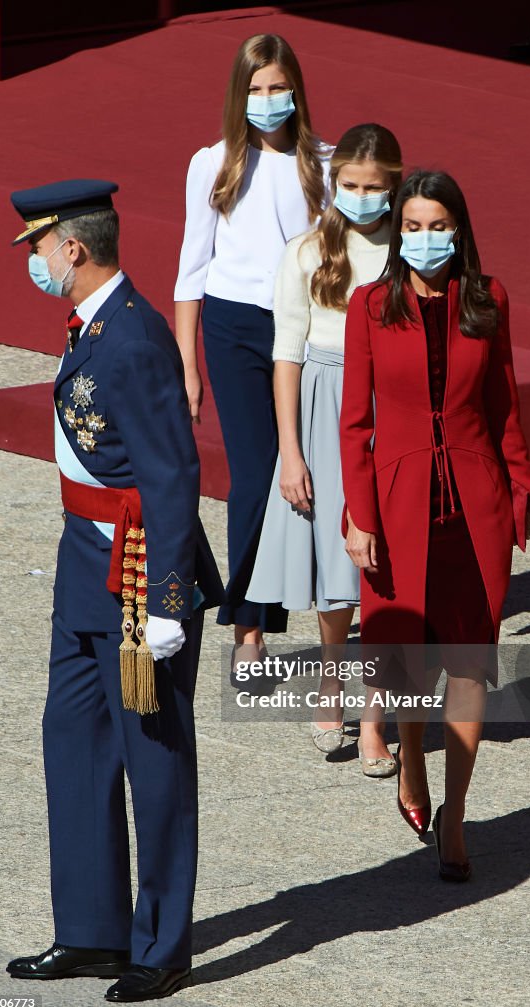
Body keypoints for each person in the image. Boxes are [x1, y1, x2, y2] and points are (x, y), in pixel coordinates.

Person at [5, 179, 223, 1002]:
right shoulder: (92, 326)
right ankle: (92, 931)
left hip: (137, 577)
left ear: (74, 248)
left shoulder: (133, 338)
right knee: (74, 740)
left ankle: (161, 944)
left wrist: (169, 601)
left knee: (154, 763)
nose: (32, 260)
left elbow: (171, 475)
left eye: (37, 246)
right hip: (84, 567)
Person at [340, 169, 530, 880]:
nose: (426, 239)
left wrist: (520, 486)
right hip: (395, 506)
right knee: (403, 663)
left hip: (474, 503)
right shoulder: (369, 305)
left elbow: (502, 400)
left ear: (459, 228)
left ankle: (454, 812)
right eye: (414, 226)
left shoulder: (487, 300)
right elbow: (353, 421)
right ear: (399, 230)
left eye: (438, 225)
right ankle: (410, 770)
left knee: (466, 666)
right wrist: (358, 516)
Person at [247, 124, 402, 774]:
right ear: (334, 184)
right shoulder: (307, 250)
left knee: (387, 573)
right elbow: (286, 352)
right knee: (337, 573)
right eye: (351, 186)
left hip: (393, 410)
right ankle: (332, 684)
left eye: (374, 188)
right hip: (325, 402)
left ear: (393, 186)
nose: (361, 198)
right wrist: (290, 450)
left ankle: (374, 719)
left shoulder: (410, 247)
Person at [174, 33, 329, 669]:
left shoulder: (324, 161)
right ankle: (249, 630)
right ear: (240, 96)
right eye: (256, 90)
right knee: (254, 478)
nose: (267, 101)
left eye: (278, 88)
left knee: (309, 474)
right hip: (233, 328)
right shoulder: (212, 164)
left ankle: (324, 614)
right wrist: (187, 362)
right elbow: (192, 269)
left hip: (305, 326)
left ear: (296, 90)